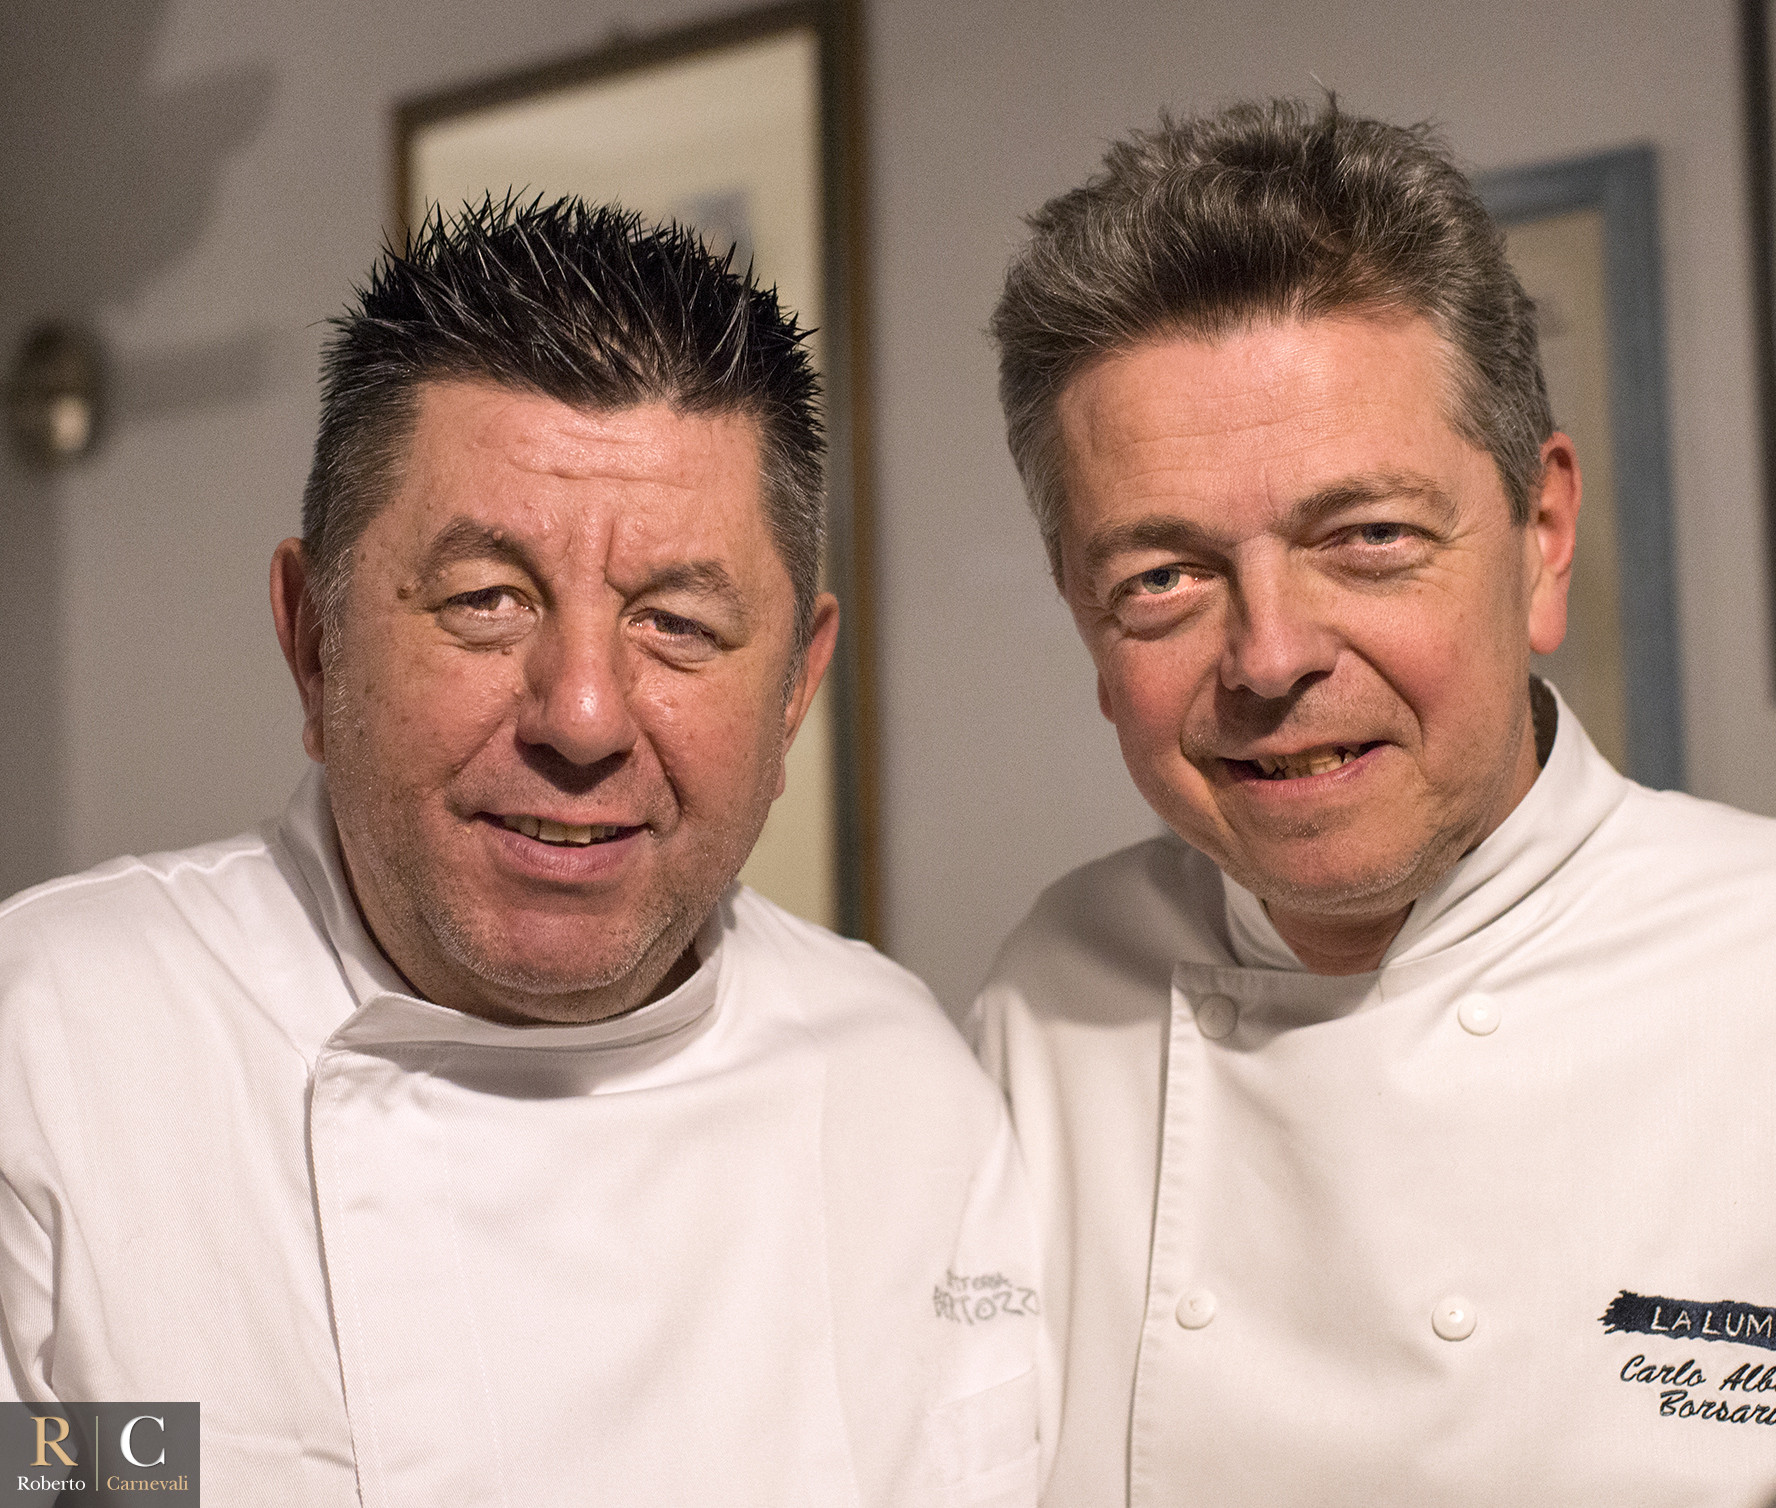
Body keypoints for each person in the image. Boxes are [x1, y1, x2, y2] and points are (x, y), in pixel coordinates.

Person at [0, 198, 1040, 1506]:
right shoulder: (48, 1050)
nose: (584, 716)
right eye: (486, 601)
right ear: (313, 641)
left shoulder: (907, 1096)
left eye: (676, 621)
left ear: (792, 691)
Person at [972, 100, 1776, 1506]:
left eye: (1368, 538)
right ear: (1082, 622)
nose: (1273, 656)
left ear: (1541, 536)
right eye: (1163, 576)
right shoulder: (1051, 995)